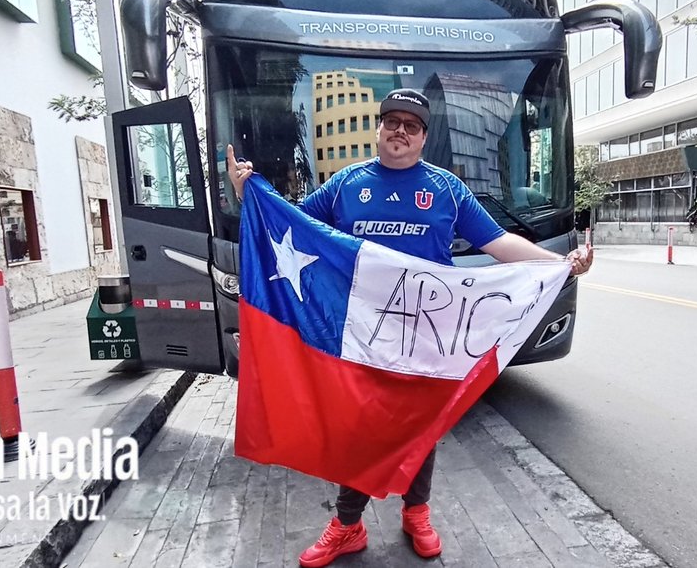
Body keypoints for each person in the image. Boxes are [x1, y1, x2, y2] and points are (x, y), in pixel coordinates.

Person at [226, 88, 593, 567]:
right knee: (359, 426)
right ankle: (347, 525)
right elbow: (290, 223)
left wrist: (561, 263)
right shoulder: (346, 184)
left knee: (421, 424)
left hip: (426, 336)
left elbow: (500, 242)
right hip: (360, 335)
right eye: (392, 121)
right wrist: (248, 193)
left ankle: (416, 513)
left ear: (423, 138)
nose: (400, 130)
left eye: (412, 125)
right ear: (378, 130)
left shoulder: (447, 189)